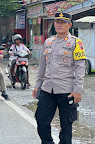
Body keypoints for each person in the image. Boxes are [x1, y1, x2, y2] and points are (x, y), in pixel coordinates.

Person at [32, 13, 86, 143]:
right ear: (54, 24)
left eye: (63, 22)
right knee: (41, 119)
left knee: (66, 125)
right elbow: (42, 66)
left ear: (69, 25)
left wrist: (78, 90)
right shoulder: (48, 42)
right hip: (47, 89)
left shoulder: (76, 42)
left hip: (67, 90)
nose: (60, 24)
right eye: (57, 22)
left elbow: (80, 67)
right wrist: (37, 85)